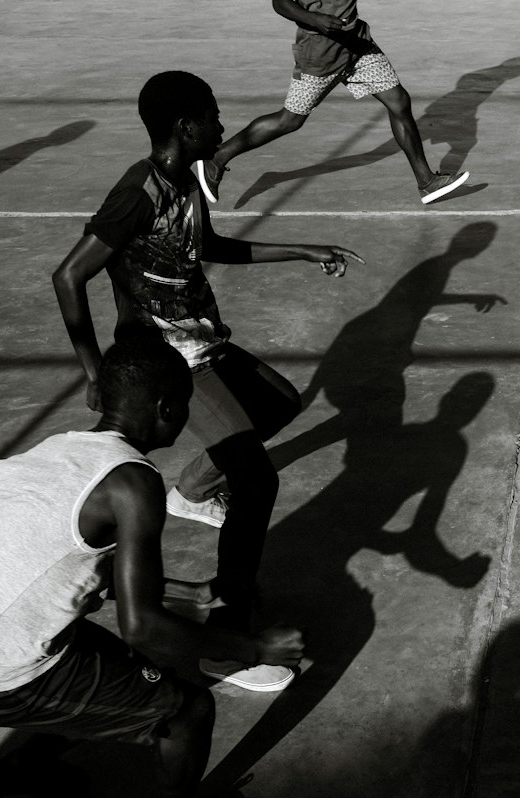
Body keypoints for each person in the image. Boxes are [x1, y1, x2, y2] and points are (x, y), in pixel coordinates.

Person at [0, 339, 306, 798]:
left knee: (121, 677)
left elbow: (77, 562)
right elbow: (143, 625)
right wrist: (255, 650)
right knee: (187, 710)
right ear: (168, 409)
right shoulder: (133, 482)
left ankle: (27, 764)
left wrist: (193, 594)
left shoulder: (59, 451)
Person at [54, 70, 359, 690]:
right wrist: (96, 373)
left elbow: (207, 247)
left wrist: (301, 249)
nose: (222, 127)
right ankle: (229, 641)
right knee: (256, 480)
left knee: (279, 402)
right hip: (164, 356)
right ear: (184, 126)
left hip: (201, 337)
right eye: (213, 117)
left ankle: (192, 489)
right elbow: (69, 276)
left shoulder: (188, 182)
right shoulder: (137, 192)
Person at [196, 1, 468, 206]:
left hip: (358, 45)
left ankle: (427, 182)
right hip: (320, 54)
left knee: (398, 100)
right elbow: (280, 2)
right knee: (290, 120)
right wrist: (313, 18)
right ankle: (217, 157)